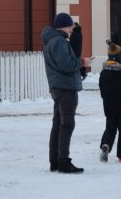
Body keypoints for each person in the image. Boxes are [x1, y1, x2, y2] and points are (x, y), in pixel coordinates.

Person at [41, 12, 83, 174]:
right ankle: (63, 162)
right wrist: (82, 62)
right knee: (67, 124)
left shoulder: (52, 40)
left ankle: (55, 161)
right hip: (65, 87)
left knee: (58, 123)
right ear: (63, 26)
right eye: (70, 25)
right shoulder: (58, 41)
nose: (72, 28)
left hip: (58, 86)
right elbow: (66, 65)